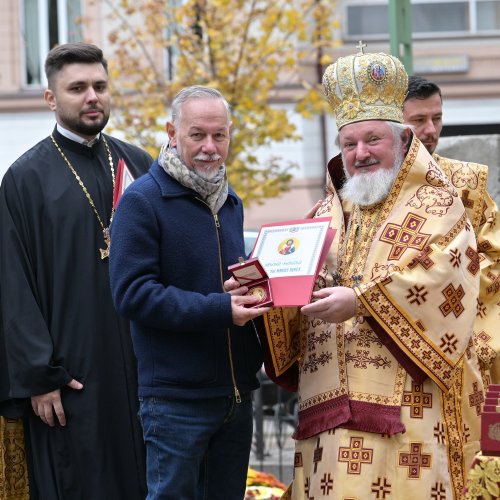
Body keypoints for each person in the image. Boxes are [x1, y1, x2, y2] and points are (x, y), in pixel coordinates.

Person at [257, 49, 484, 499]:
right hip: (326, 410)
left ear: (402, 140)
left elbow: (449, 278)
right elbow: (294, 291)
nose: (360, 154)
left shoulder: (438, 204)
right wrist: (258, 290)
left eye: (373, 140)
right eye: (349, 143)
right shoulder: (322, 214)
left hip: (407, 412)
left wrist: (361, 301)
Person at [0, 42, 152, 499]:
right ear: (51, 98)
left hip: (142, 365)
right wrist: (39, 374)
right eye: (78, 88)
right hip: (71, 377)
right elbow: (12, 285)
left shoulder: (139, 165)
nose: (92, 97)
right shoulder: (24, 179)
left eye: (100, 86)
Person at [108, 85, 270, 500]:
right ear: (171, 132)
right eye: (197, 134)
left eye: (220, 135)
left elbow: (223, 284)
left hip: (236, 394)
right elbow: (132, 294)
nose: (210, 147)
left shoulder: (230, 201)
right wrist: (220, 308)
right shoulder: (141, 201)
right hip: (175, 401)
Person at [403, 76, 500, 384]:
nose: (431, 130)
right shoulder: (367, 191)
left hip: (462, 343)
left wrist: (449, 278)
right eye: (418, 120)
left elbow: (495, 256)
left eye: (437, 118)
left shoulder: (467, 182)